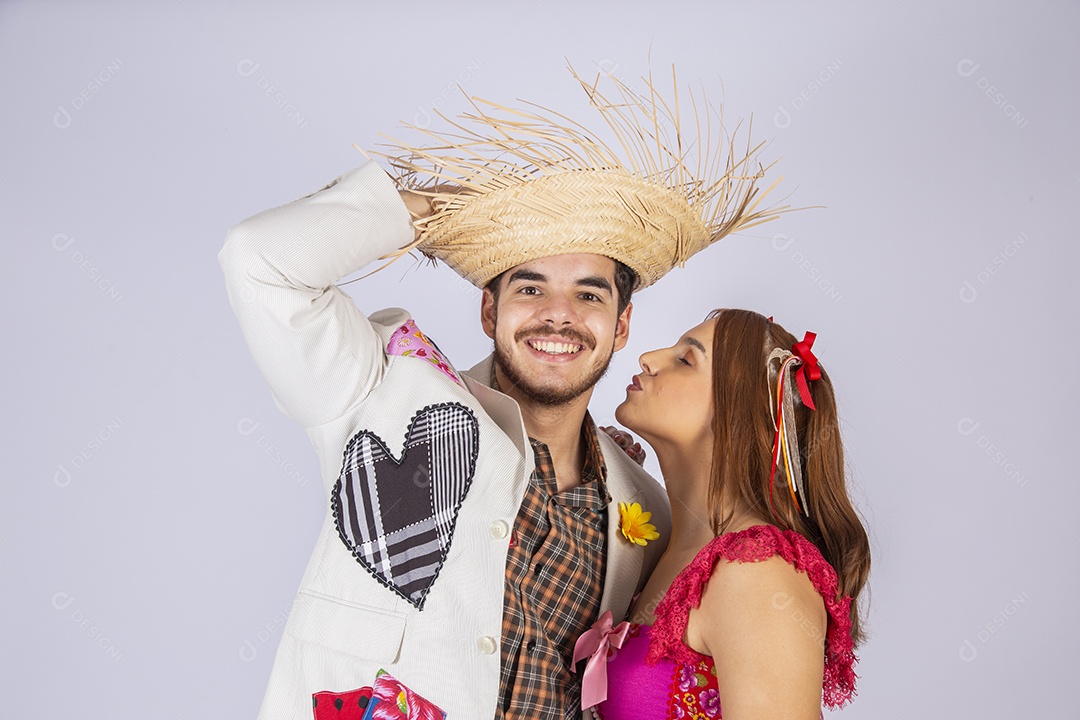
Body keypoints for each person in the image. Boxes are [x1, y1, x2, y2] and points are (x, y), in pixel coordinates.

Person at [219, 66, 786, 720]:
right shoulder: (383, 391)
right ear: (489, 311)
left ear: (621, 325)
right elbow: (258, 260)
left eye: (589, 295)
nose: (558, 315)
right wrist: (430, 211)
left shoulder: (647, 512)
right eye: (530, 288)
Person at [577, 309, 870, 719]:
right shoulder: (668, 543)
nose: (648, 358)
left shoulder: (758, 571)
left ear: (739, 410)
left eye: (686, 360)